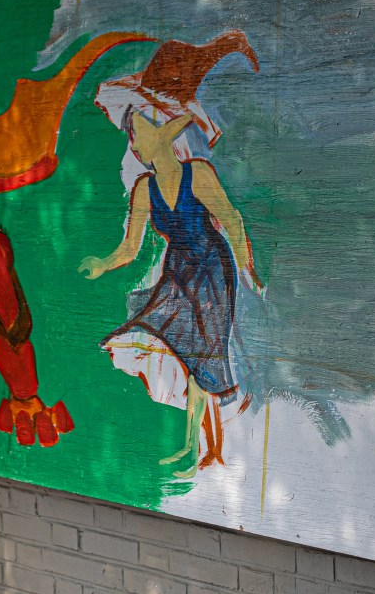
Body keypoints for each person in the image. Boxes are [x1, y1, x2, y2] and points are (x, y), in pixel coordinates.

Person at [78, 107, 261, 479]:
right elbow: (130, 247)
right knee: (175, 343)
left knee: (203, 356)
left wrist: (247, 272)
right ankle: (195, 448)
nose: (133, 145)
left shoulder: (199, 174)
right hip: (178, 272)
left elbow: (232, 220)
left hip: (212, 270)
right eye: (131, 139)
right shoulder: (144, 189)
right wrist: (102, 263)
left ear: (162, 137)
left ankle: (195, 448)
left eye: (138, 134)